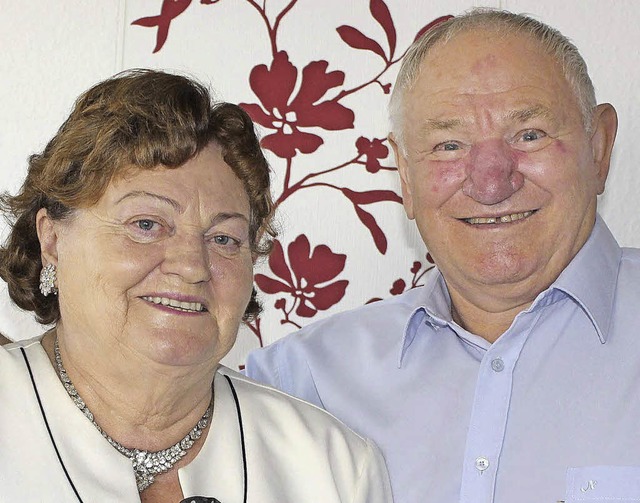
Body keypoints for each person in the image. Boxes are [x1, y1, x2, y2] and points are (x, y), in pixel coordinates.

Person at [245, 8, 640, 503]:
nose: (492, 182)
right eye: (449, 145)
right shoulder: (301, 383)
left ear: (600, 147)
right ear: (406, 178)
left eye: (530, 134)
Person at [0, 69, 392, 502]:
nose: (191, 267)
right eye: (146, 224)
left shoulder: (334, 469)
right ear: (52, 240)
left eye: (223, 238)